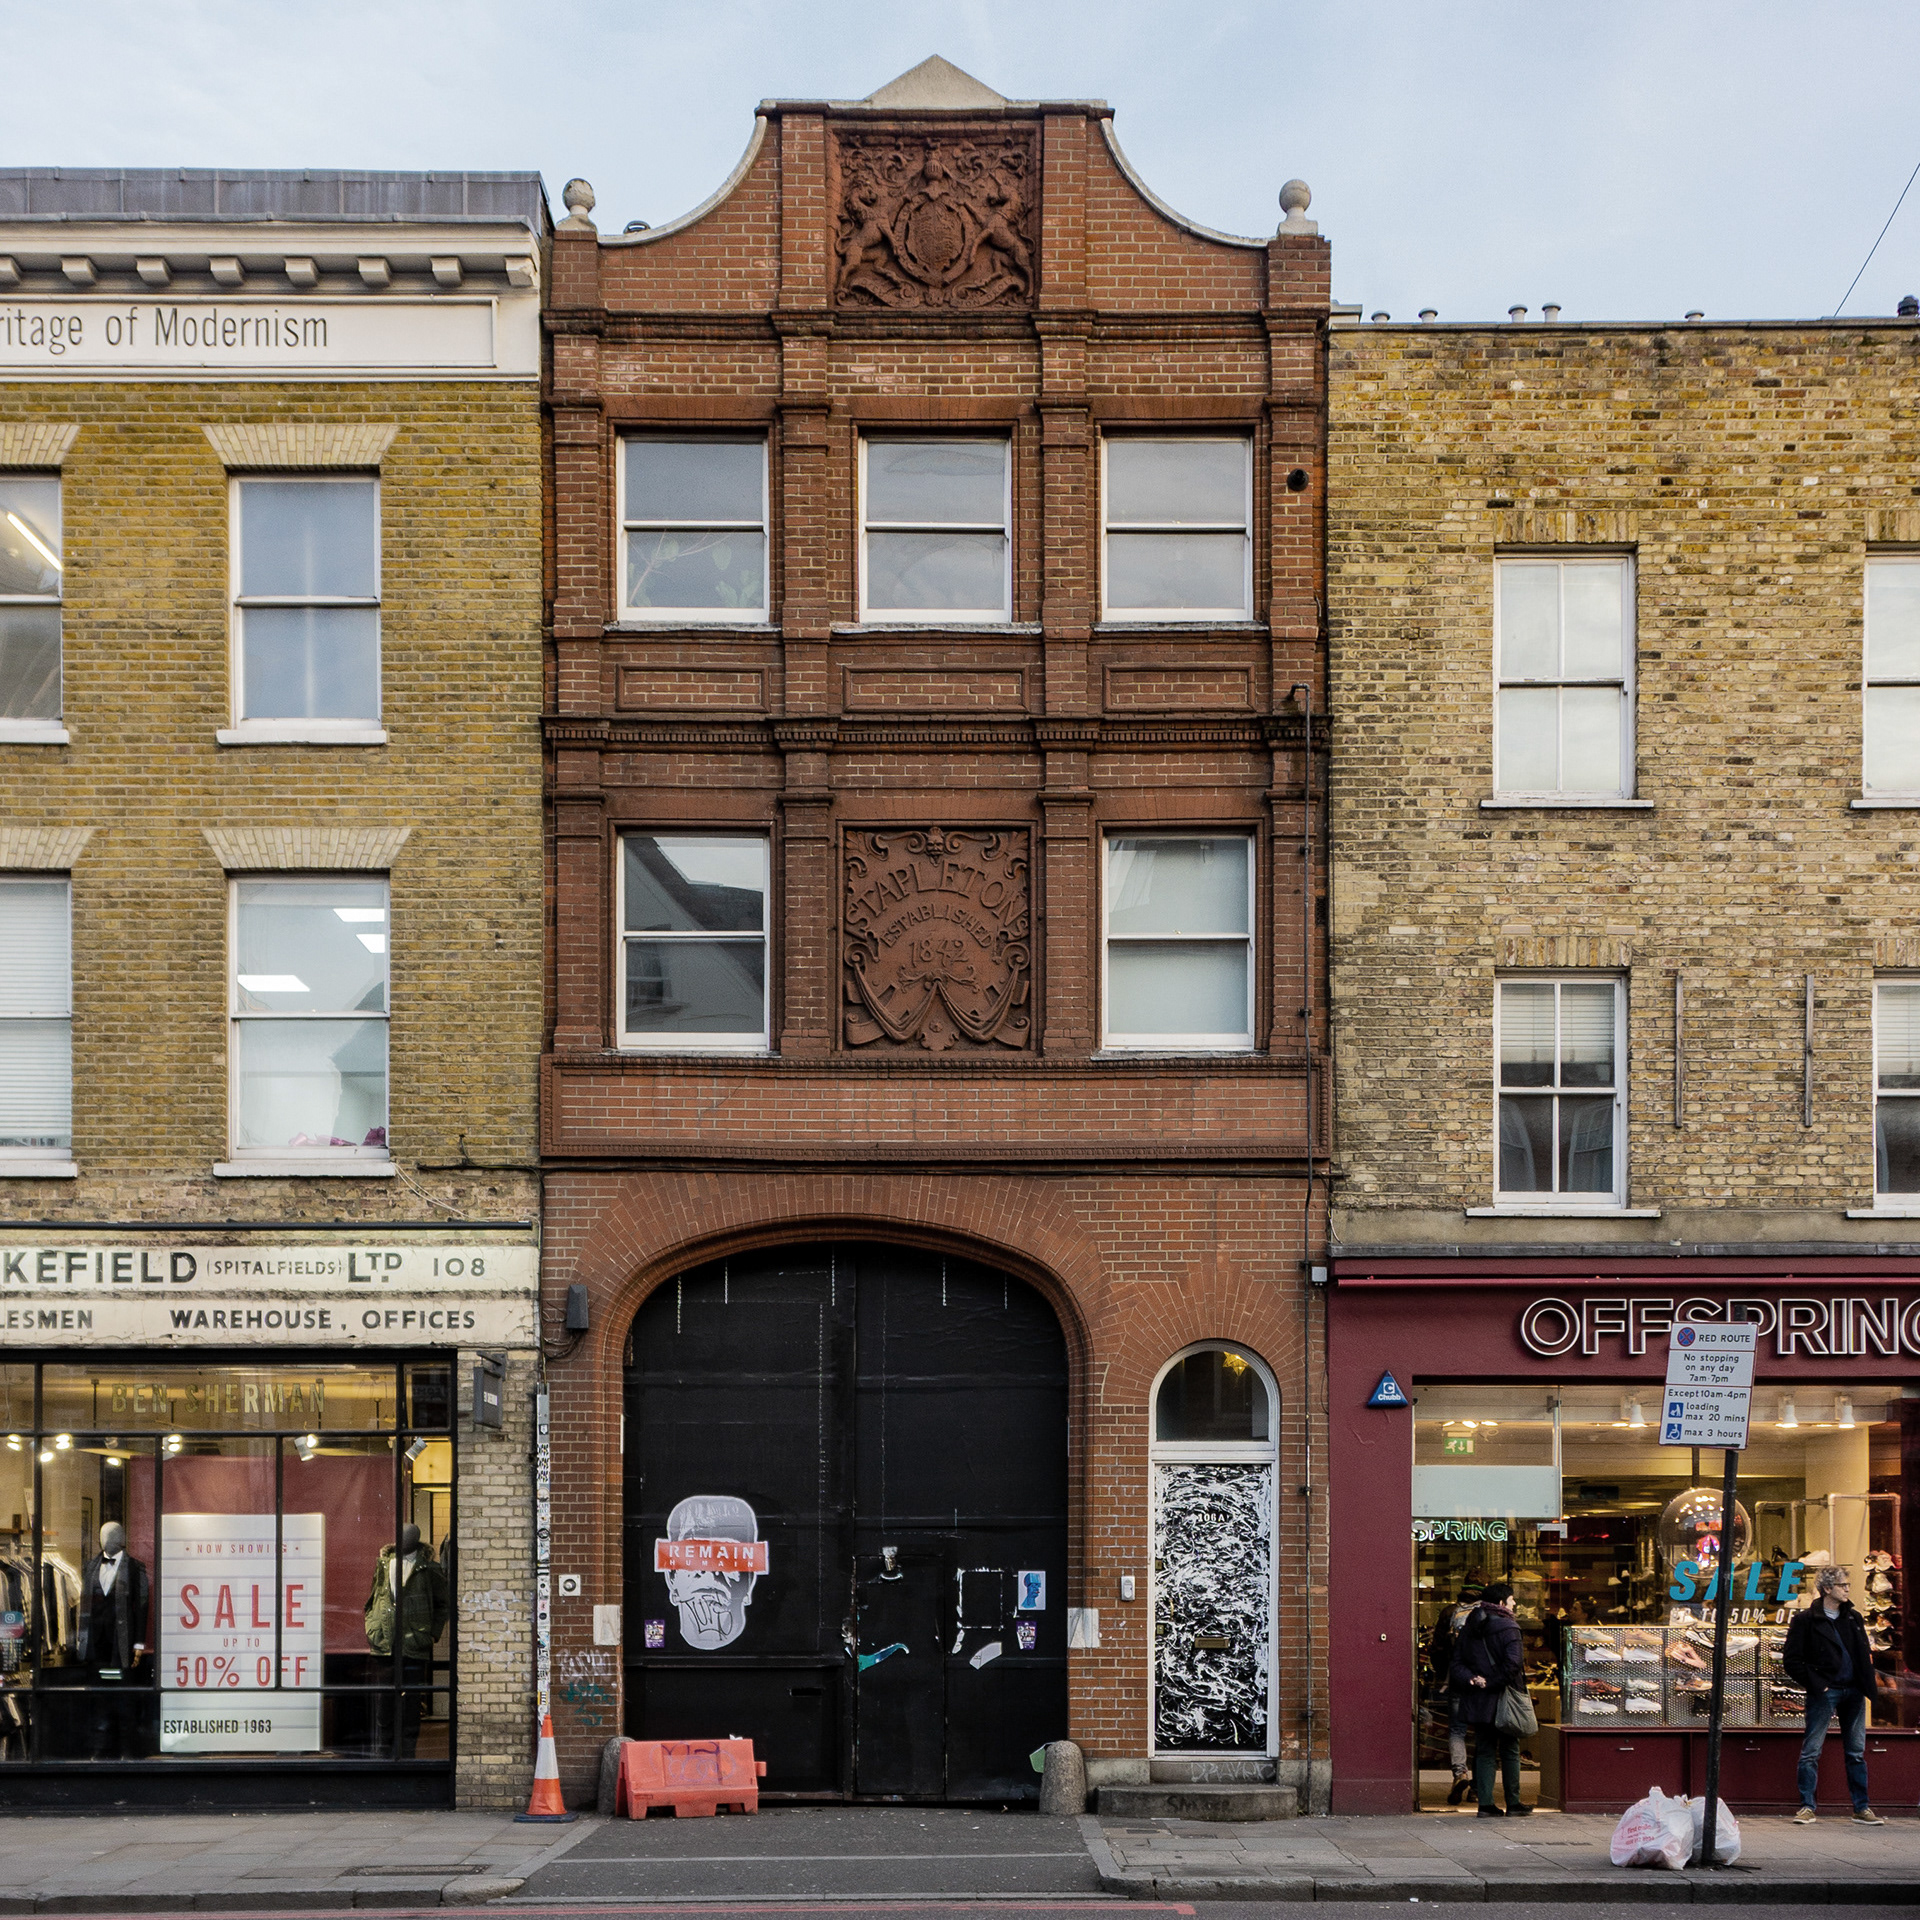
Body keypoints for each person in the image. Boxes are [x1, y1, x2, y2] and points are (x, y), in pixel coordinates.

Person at [1782, 1564, 1885, 1824]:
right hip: (1826, 1690)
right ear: (1827, 1588)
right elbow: (1792, 1660)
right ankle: (1807, 1806)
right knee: (1812, 1750)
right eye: (1842, 1585)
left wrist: (1866, 1683)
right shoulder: (1806, 1620)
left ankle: (1861, 1807)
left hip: (1853, 1690)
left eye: (1847, 1585)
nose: (1847, 1589)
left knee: (1856, 1751)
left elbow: (1862, 1654)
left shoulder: (1853, 1618)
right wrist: (1819, 1685)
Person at [364, 1525, 449, 1758]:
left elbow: (443, 1604)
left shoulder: (428, 1569)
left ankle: (408, 1752)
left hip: (414, 1645)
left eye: (408, 1536)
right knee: (384, 1702)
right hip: (385, 1644)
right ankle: (384, 1752)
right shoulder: (383, 1565)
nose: (403, 1540)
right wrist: (374, 1629)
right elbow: (373, 1600)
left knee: (411, 1703)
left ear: (417, 1540)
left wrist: (431, 1633)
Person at [1450, 1578, 1530, 1817]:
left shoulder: (1469, 1627)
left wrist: (1475, 1679)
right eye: (1512, 1599)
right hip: (1504, 1696)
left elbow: (1456, 1664)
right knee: (1509, 1749)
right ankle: (1513, 1803)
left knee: (1484, 1749)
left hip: (1479, 1698)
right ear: (1501, 1602)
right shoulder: (1509, 1628)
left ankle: (1485, 1804)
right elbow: (1514, 1664)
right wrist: (1492, 1682)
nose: (1514, 1604)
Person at [1427, 1582, 1482, 1805]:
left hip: (1457, 1679)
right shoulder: (1486, 1612)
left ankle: (1460, 1773)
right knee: (1481, 1733)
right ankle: (1478, 1788)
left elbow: (1437, 1648)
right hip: (1481, 1682)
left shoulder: (1450, 1612)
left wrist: (1443, 1676)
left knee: (1457, 1731)